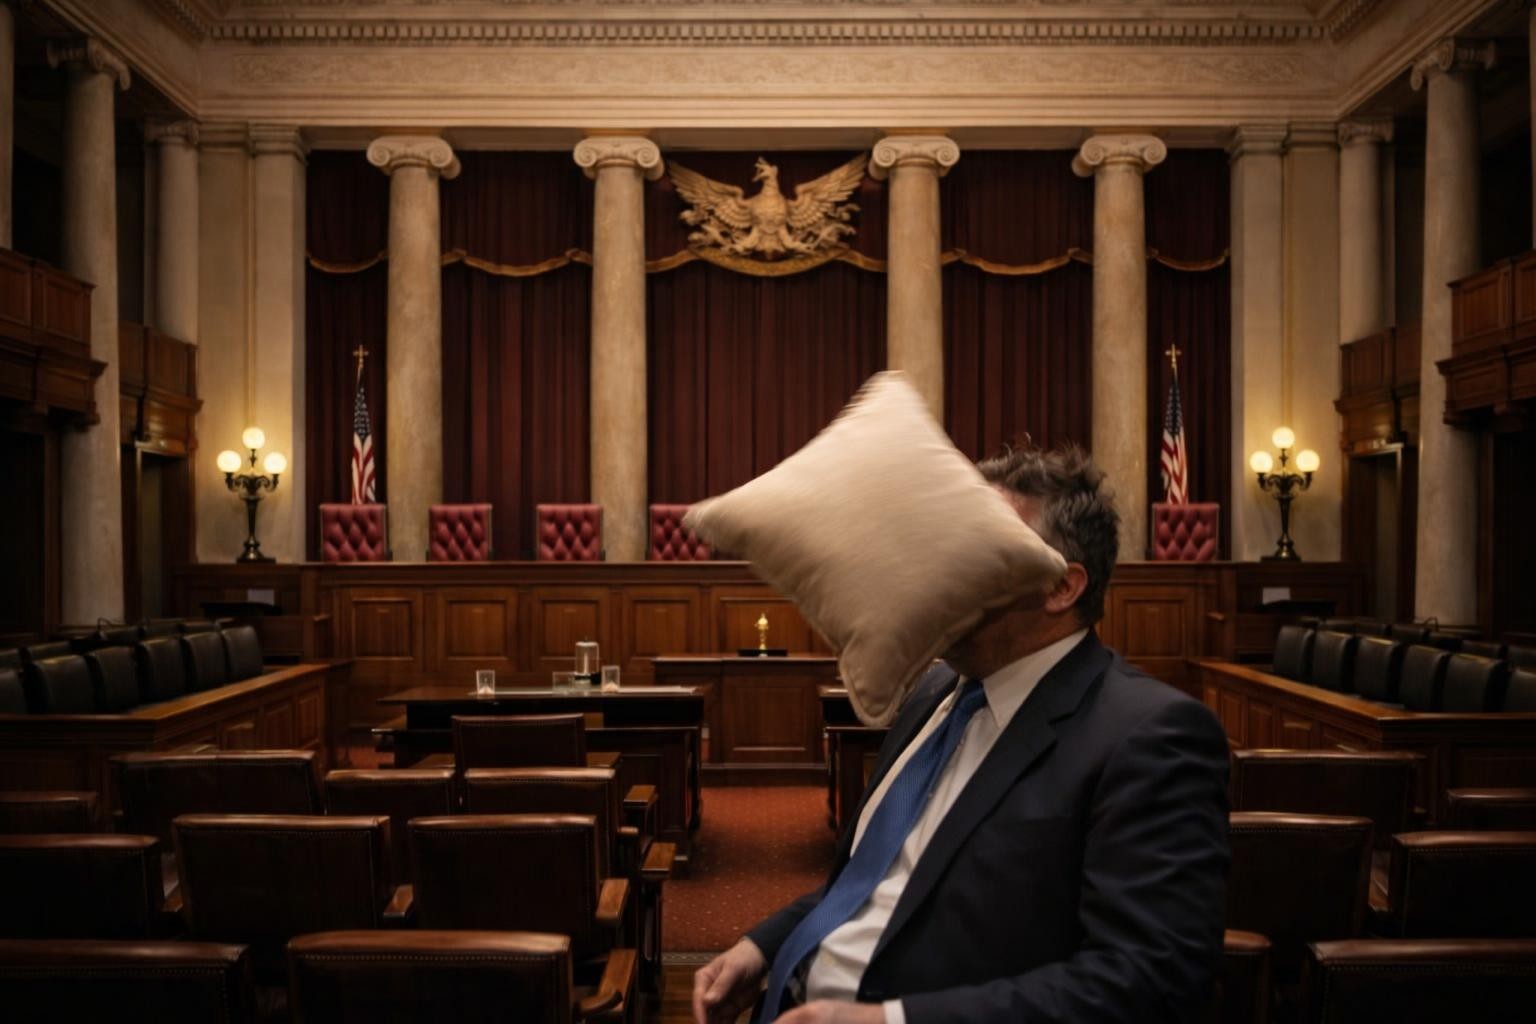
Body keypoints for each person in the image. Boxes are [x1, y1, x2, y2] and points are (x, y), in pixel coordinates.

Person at [693, 444, 1230, 1024]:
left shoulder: (1150, 736)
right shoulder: (936, 691)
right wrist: (766, 946)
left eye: (975, 551)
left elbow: (1148, 981)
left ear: (1060, 587)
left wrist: (892, 1022)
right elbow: (876, 878)